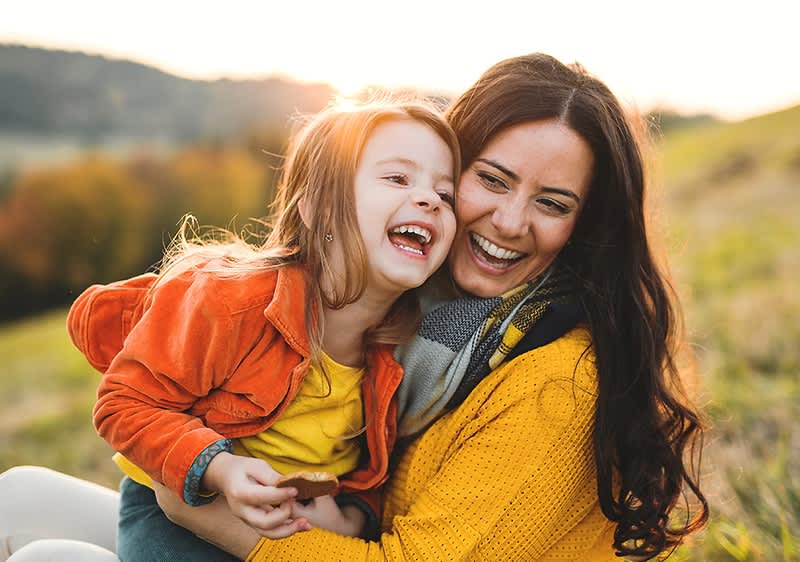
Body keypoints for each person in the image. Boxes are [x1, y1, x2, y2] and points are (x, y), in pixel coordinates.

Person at [0, 52, 708, 562]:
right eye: (489, 179)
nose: (511, 220)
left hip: (274, 537)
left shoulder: (552, 376)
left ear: (585, 227)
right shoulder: (413, 318)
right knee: (20, 493)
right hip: (267, 518)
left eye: (553, 204)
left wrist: (202, 498)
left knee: (51, 557)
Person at [61, 99, 459, 560]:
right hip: (181, 506)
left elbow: (369, 473)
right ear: (317, 209)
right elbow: (124, 403)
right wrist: (219, 469)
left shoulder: (405, 349)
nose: (430, 199)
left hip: (290, 534)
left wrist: (350, 517)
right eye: (397, 178)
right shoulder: (232, 300)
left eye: (445, 194)